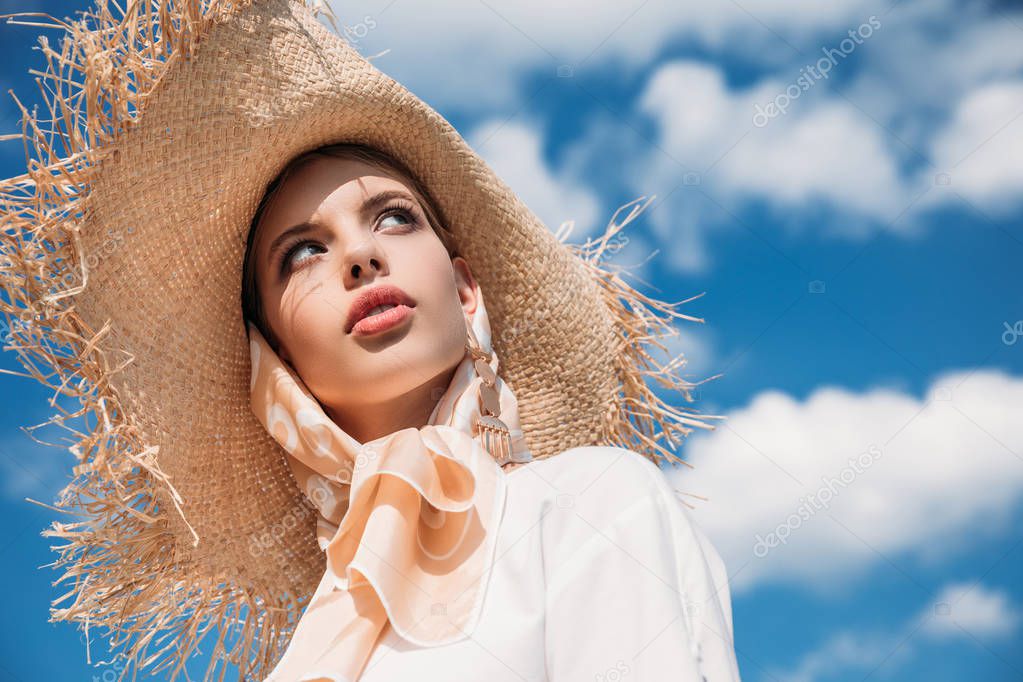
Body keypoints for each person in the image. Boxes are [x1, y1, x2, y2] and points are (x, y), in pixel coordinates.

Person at [0, 0, 740, 679]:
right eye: (301, 253)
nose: (359, 257)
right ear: (277, 364)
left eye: (393, 218)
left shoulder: (591, 502)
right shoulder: (318, 637)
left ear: (466, 288)